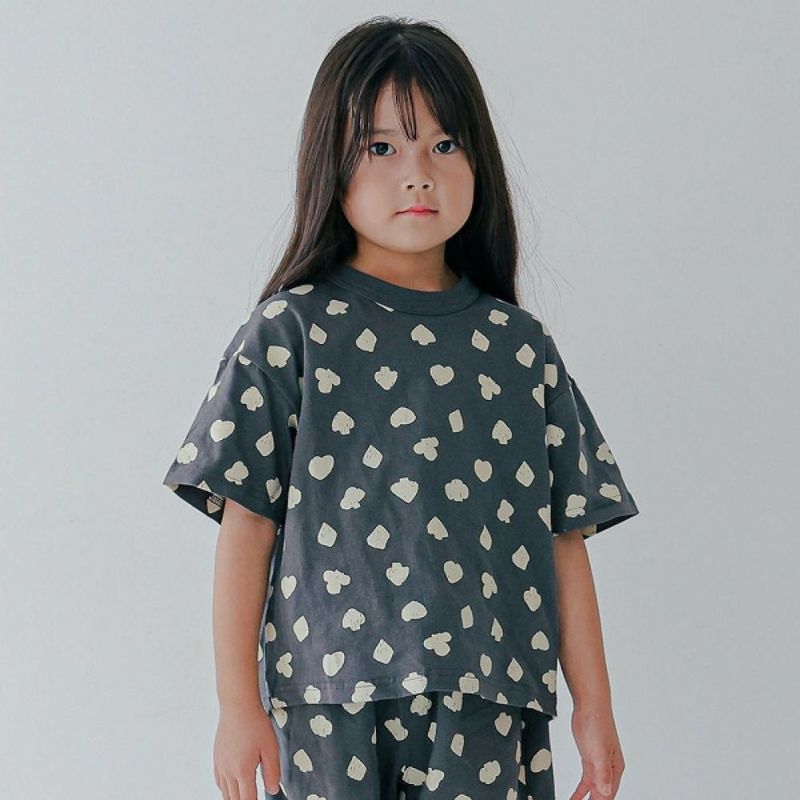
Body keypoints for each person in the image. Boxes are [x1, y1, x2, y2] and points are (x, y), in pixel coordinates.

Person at [161, 15, 640, 800]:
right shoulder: (291, 333)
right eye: (381, 147)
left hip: (489, 702)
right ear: (331, 161)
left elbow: (563, 539)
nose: (418, 175)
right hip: (329, 703)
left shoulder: (518, 348)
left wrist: (595, 706)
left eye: (444, 145)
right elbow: (247, 525)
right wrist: (237, 706)